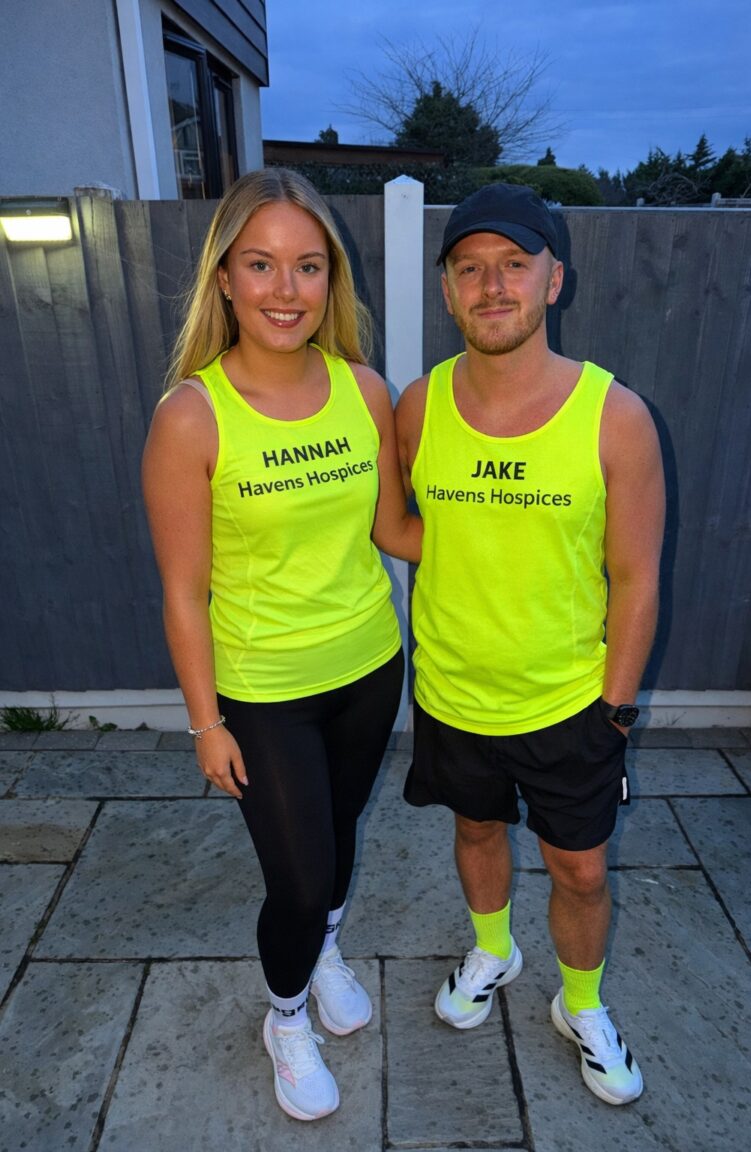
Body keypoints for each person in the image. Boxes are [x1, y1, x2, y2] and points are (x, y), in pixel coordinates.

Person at [142, 168, 420, 1122]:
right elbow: (184, 592)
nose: (285, 289)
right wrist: (202, 723)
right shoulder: (191, 417)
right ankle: (286, 1014)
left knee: (338, 839)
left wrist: (510, 532)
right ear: (224, 277)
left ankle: (326, 950)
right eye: (260, 264)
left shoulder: (365, 390)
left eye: (307, 266)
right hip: (263, 690)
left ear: (330, 281)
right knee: (296, 879)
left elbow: (395, 530)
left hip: (370, 666)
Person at [396, 183, 665, 1106]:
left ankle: (581, 1005)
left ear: (556, 280)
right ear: (447, 292)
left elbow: (635, 576)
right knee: (475, 830)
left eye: (514, 264)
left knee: (580, 869)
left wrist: (616, 709)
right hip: (453, 693)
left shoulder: (615, 416)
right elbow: (405, 523)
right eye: (469, 268)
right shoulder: (419, 406)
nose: (492, 285)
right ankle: (494, 951)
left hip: (569, 701)